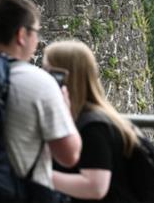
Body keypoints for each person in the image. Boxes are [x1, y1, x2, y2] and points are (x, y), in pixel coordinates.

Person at [0, 0, 81, 193]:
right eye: (36, 31)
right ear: (21, 35)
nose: (37, 39)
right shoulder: (39, 83)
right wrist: (65, 111)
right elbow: (69, 155)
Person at [45, 41, 138, 203]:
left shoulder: (94, 125)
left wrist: (40, 176)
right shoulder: (85, 117)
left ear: (66, 78)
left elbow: (95, 187)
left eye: (48, 73)